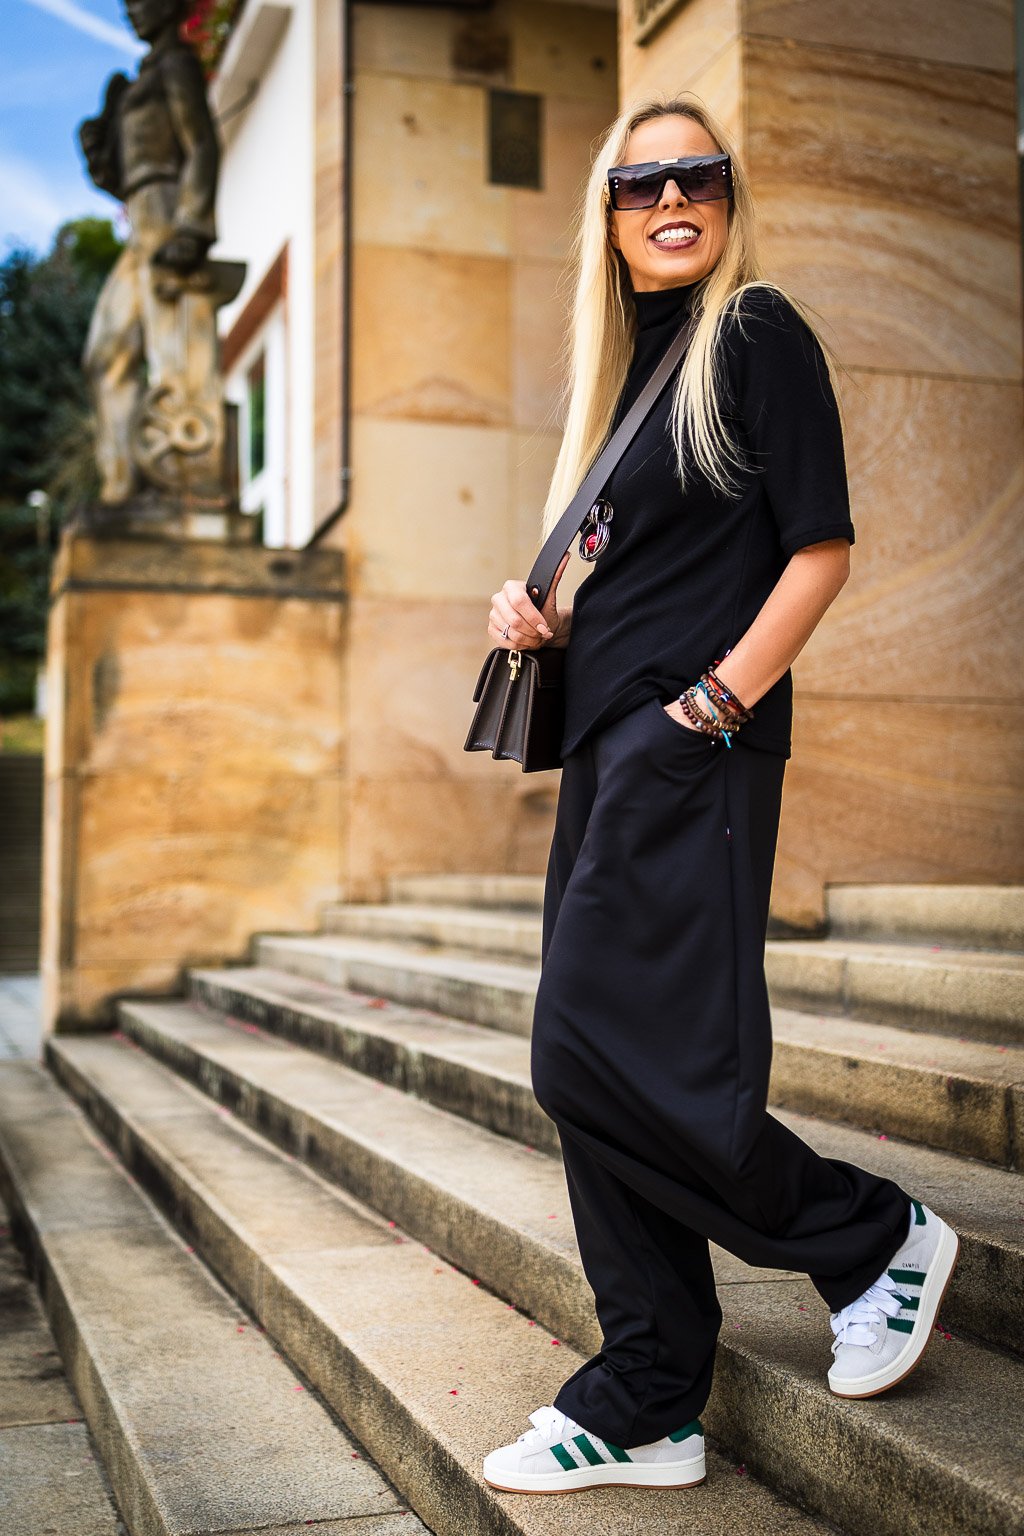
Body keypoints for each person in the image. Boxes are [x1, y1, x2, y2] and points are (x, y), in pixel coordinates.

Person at [480, 94, 960, 1497]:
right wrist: (551, 621)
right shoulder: (638, 377)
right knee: (597, 1063)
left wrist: (711, 707)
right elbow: (665, 576)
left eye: (699, 176)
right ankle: (653, 1393)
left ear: (730, 198)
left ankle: (869, 1238)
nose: (673, 200)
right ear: (609, 217)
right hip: (614, 752)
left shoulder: (756, 333)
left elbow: (820, 551)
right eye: (643, 185)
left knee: (595, 1056)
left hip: (695, 749)